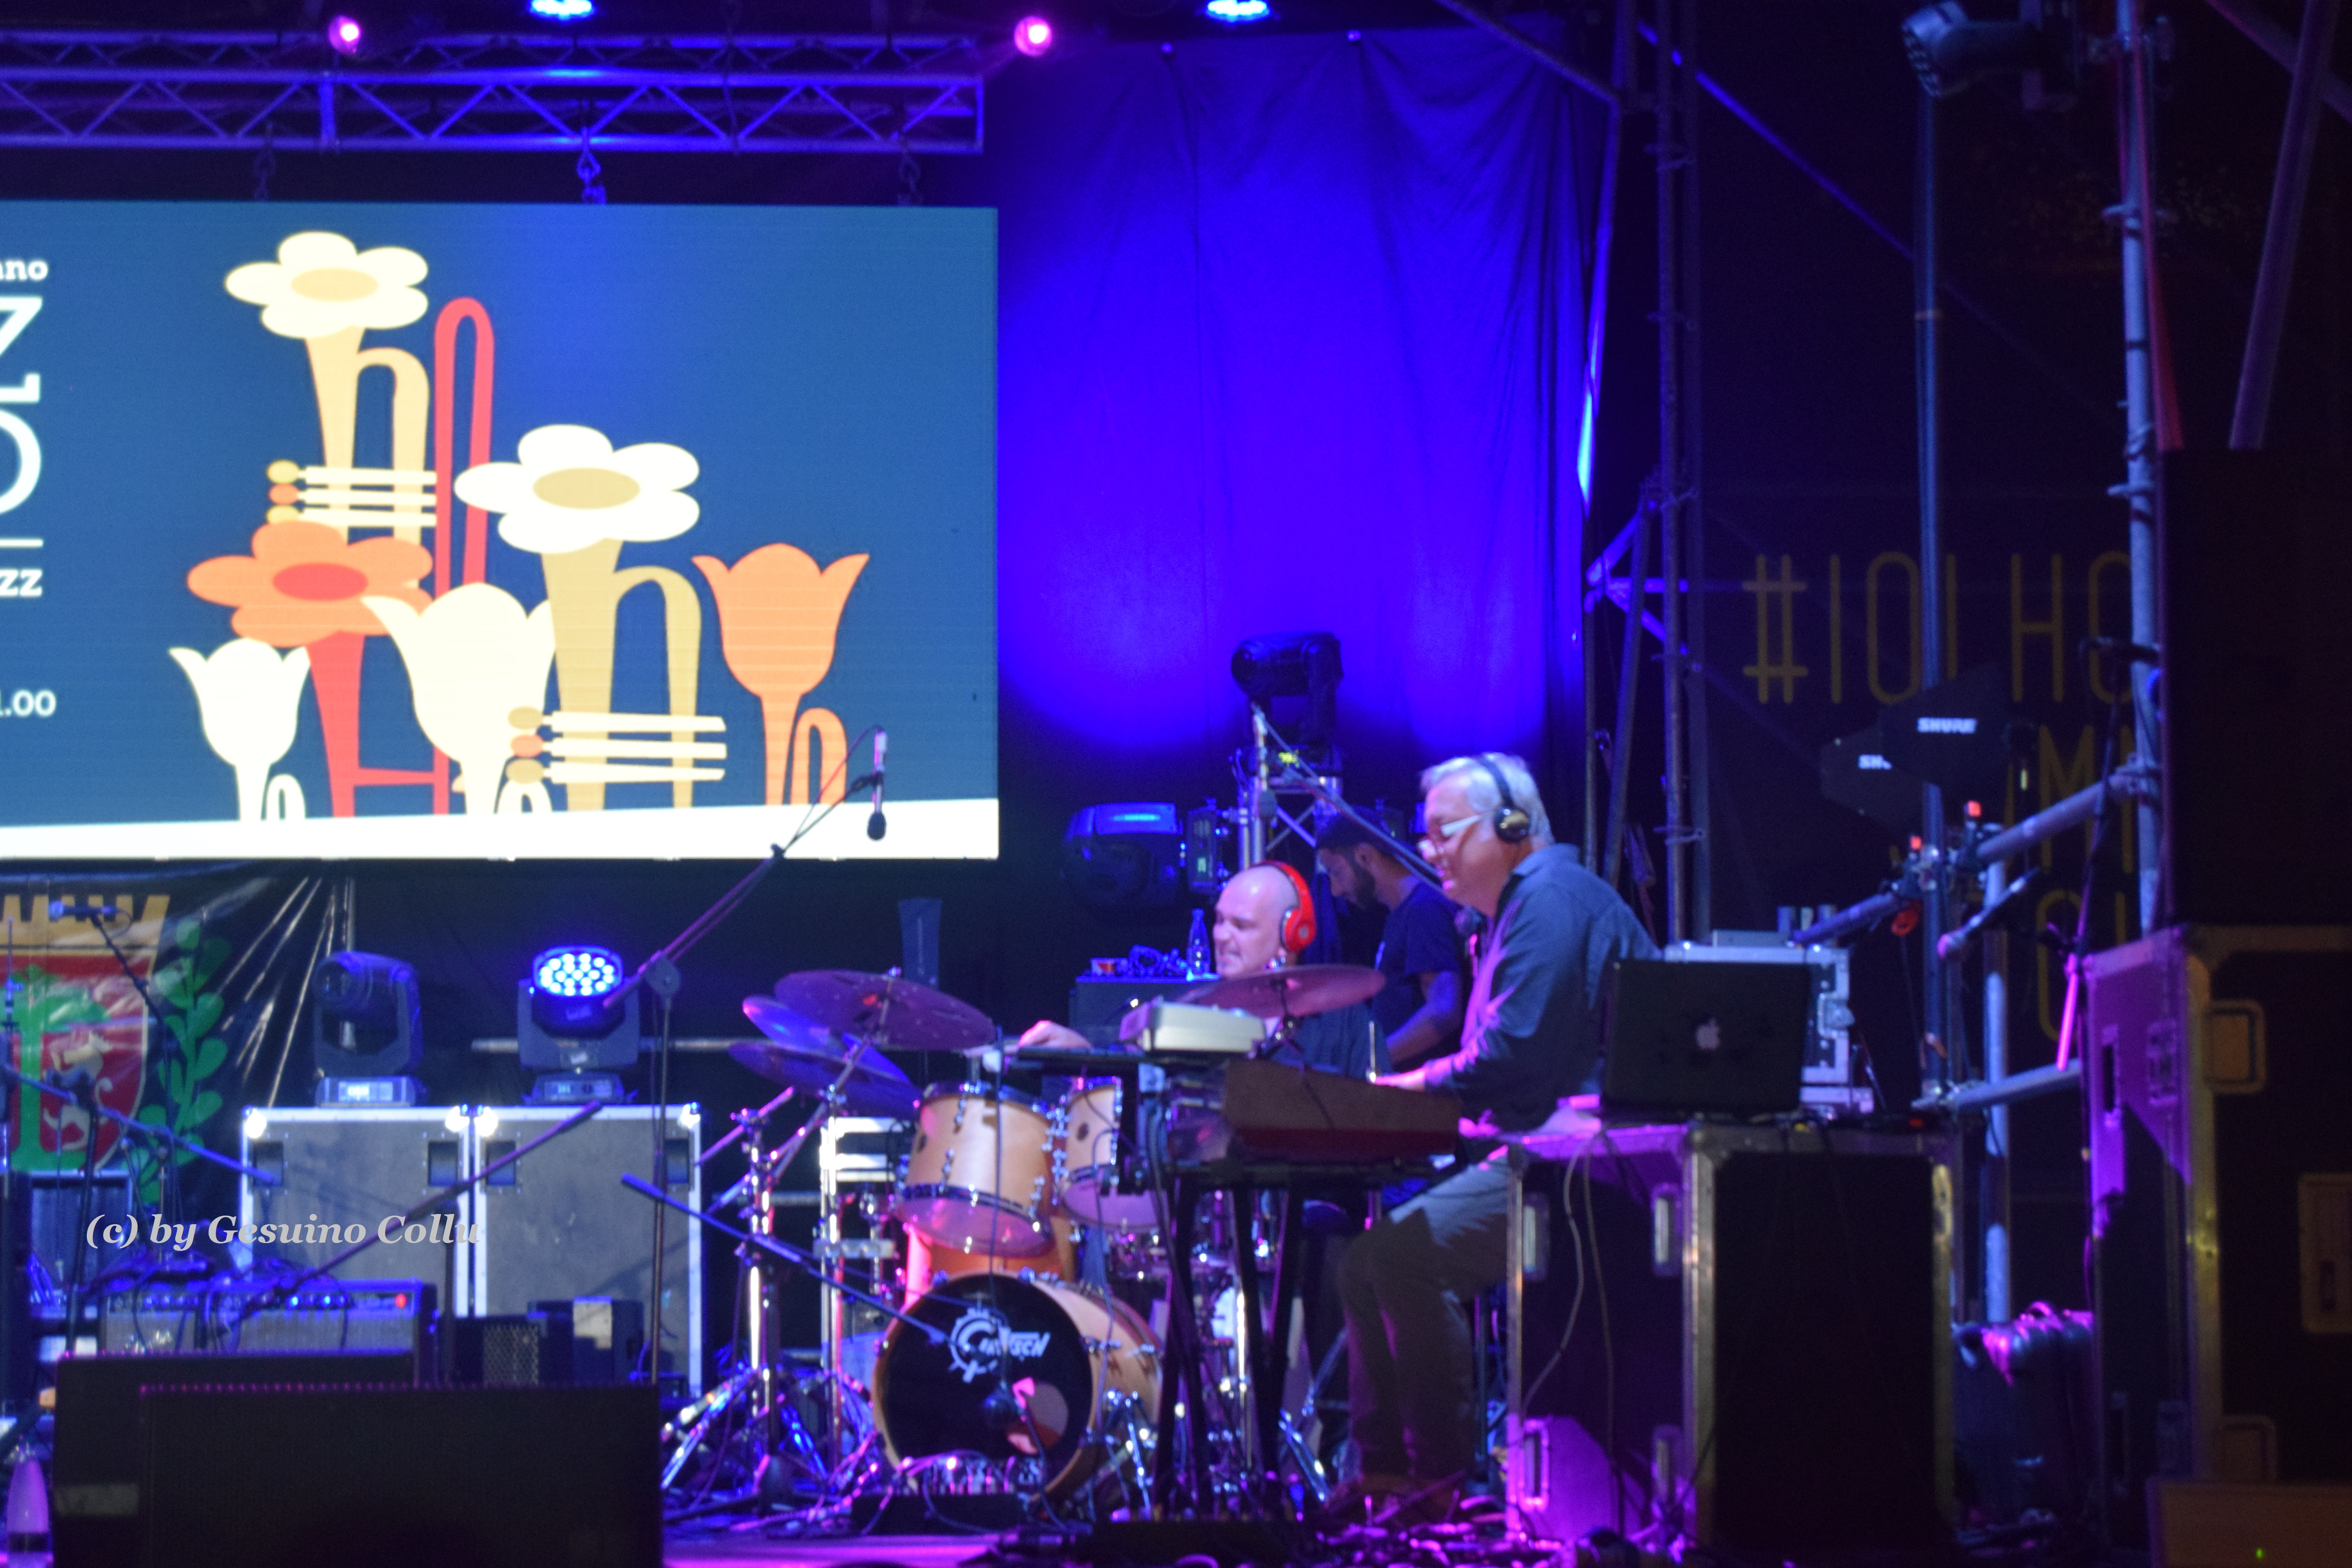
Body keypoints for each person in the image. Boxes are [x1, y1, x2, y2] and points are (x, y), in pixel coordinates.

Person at [1334, 753, 1655, 1521]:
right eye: (1428, 834)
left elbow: (1511, 1059)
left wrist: (1395, 1093)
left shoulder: (1549, 898)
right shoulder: (1518, 909)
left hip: (1594, 1170)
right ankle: (1385, 1478)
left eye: (1445, 832)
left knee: (1400, 1257)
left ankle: (1436, 1483)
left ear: (1511, 826)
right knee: (1363, 1264)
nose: (1430, 849)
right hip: (1554, 1156)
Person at [1020, 861, 1386, 1078]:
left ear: (1291, 935)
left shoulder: (1346, 1021)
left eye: (1241, 926)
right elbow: (1136, 1067)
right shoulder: (1194, 1012)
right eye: (1220, 921)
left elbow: (1380, 1116)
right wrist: (1083, 1051)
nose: (1221, 936)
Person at [1315, 814, 1467, 1066]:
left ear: (1364, 856)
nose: (1335, 890)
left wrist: (1372, 1060)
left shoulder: (1423, 910)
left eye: (1336, 872)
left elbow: (1443, 1011)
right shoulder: (1403, 913)